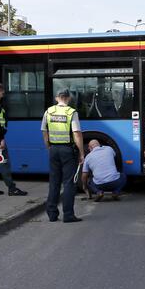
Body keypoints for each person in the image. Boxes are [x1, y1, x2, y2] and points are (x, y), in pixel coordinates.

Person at [41, 90, 84, 223]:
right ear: (69, 98)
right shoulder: (71, 112)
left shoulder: (49, 111)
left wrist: (48, 146)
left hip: (53, 149)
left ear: (56, 98)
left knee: (54, 182)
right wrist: (82, 152)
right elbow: (76, 134)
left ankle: (52, 214)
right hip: (67, 150)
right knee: (69, 183)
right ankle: (68, 215)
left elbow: (44, 131)